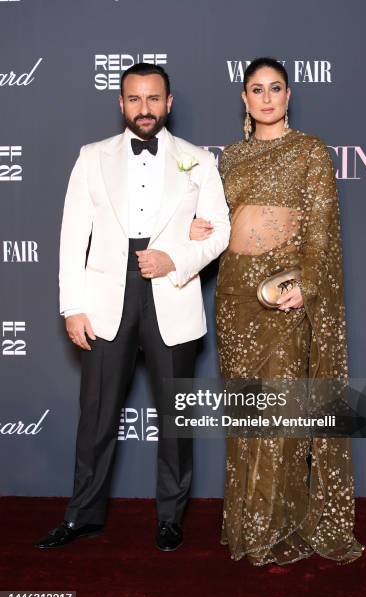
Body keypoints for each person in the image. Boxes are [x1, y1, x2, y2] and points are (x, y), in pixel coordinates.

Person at [35, 63, 230, 551]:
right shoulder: (92, 157)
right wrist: (72, 307)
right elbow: (71, 237)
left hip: (171, 290)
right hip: (105, 298)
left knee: (174, 419)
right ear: (121, 103)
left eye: (153, 99)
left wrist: (175, 258)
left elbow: (220, 230)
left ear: (170, 102)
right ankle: (83, 515)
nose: (145, 109)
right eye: (135, 99)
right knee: (96, 416)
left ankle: (170, 516)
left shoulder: (198, 160)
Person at [190, 57, 364, 565]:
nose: (266, 98)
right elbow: (220, 224)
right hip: (235, 298)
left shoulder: (310, 151)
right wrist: (198, 230)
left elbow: (322, 229)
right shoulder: (230, 160)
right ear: (244, 99)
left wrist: (306, 286)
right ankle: (246, 522)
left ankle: (274, 526)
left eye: (275, 88)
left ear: (289, 95)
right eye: (256, 89)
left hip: (283, 294)